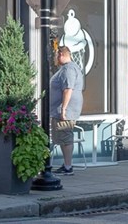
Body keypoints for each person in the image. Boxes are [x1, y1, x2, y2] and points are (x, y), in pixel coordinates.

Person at [49, 45, 84, 175]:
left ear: (61, 55)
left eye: (55, 55)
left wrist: (63, 109)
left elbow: (68, 89)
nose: (54, 58)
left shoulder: (68, 69)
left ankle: (68, 167)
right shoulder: (69, 67)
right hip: (64, 109)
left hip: (65, 109)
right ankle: (66, 165)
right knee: (63, 137)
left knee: (65, 136)